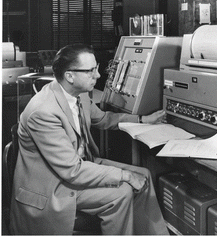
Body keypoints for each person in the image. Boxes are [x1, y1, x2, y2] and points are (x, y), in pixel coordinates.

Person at [10, 44, 169, 235]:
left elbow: (103, 119)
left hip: (79, 165)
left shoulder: (79, 95)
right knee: (121, 193)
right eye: (90, 71)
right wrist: (125, 175)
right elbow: (72, 171)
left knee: (143, 175)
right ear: (70, 76)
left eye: (97, 68)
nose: (98, 76)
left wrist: (143, 120)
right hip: (54, 185)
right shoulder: (43, 112)